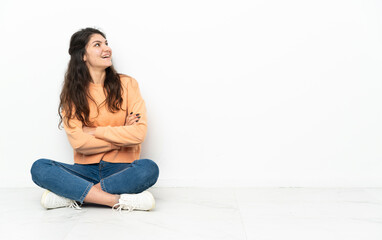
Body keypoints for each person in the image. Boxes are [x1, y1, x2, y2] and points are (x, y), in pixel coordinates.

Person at [30, 27, 159, 212]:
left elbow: (138, 134)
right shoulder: (73, 94)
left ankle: (74, 196)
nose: (106, 49)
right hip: (84, 171)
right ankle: (114, 200)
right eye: (97, 45)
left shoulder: (128, 84)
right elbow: (79, 142)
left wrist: (94, 131)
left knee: (148, 168)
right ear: (83, 55)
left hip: (121, 170)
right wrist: (122, 137)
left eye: (106, 43)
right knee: (40, 167)